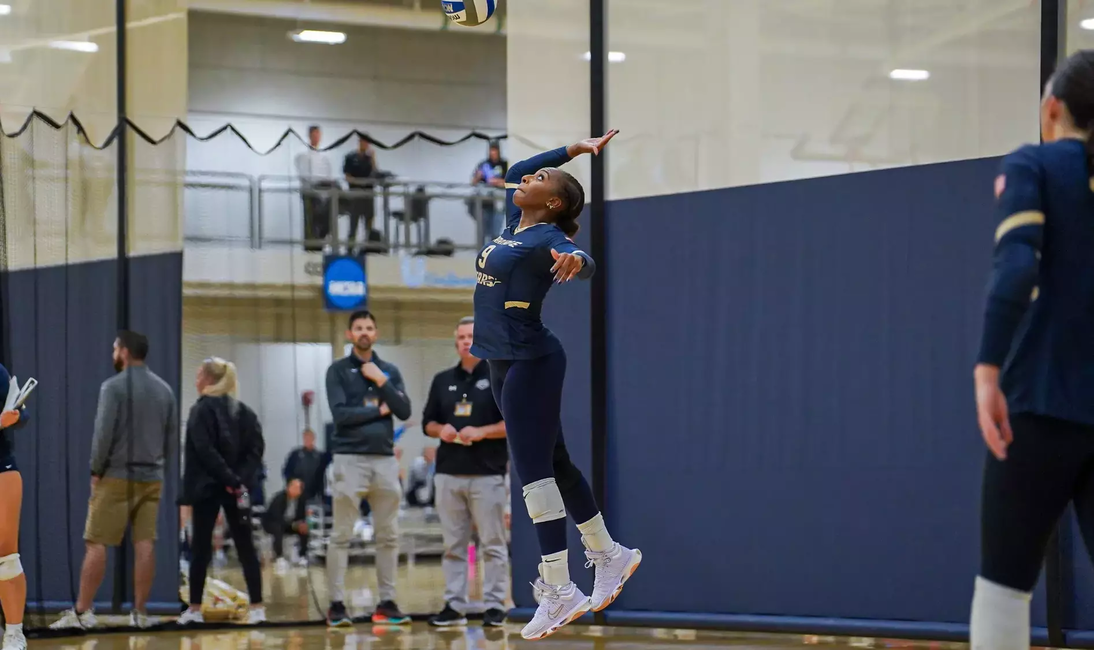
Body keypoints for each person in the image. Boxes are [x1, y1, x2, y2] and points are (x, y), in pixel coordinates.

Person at [471, 130, 641, 640]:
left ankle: (559, 586)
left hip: (533, 360)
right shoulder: (512, 221)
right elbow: (522, 163)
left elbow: (584, 262)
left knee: (534, 473)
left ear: (554, 202)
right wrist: (575, 150)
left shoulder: (549, 239)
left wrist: (579, 262)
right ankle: (610, 553)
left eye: (540, 180)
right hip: (500, 360)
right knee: (558, 465)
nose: (527, 177)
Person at [971, 50, 1094, 650]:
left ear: (1052, 109)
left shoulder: (1034, 165)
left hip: (1038, 404)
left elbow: (1017, 267)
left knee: (1004, 588)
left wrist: (986, 371)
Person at [52, 331, 177, 630]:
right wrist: (159, 468)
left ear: (124, 352)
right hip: (152, 478)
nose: (113, 354)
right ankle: (140, 614)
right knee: (145, 543)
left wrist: (96, 471)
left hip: (116, 476)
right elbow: (171, 441)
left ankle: (82, 614)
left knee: (96, 542)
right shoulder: (165, 391)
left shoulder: (113, 387)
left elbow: (103, 434)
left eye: (114, 349)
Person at [324, 310, 412, 626]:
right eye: (358, 327)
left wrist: (382, 382)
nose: (364, 332)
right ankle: (336, 604)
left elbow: (403, 409)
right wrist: (378, 410)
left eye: (369, 327)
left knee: (388, 535)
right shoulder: (337, 371)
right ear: (350, 334)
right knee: (341, 534)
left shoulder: (388, 371)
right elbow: (341, 415)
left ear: (375, 333)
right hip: (349, 459)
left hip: (385, 461)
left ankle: (387, 602)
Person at [423, 316, 509, 628]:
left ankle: (495, 605)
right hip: (448, 474)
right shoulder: (442, 379)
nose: (464, 341)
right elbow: (427, 423)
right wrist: (440, 429)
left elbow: (512, 424)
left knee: (492, 543)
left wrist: (483, 432)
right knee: (453, 546)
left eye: (470, 335)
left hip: (487, 475)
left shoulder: (500, 375)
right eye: (460, 336)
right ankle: (454, 605)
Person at [178, 357, 266, 625]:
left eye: (198, 376)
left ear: (208, 379)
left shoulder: (200, 410)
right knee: (245, 547)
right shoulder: (246, 412)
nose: (196, 381)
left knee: (201, 548)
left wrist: (229, 479)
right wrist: (238, 481)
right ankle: (258, 608)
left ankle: (194, 610)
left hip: (207, 488)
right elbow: (256, 452)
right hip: (234, 489)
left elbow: (204, 451)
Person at [0, 365, 30, 650]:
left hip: (2, 467)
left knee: (6, 556)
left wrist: (16, 414)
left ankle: (14, 633)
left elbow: (23, 414)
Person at [295, 125, 336, 251]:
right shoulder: (302, 156)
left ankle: (321, 244)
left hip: (323, 195)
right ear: (309, 136)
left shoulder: (324, 158)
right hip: (310, 194)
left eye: (318, 134)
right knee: (310, 223)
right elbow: (304, 176)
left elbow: (328, 176)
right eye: (314, 134)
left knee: (322, 222)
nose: (316, 137)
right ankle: (310, 248)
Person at [264, 478, 309, 572]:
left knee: (304, 528)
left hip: (291, 524)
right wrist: (293, 525)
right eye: (294, 487)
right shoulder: (279, 498)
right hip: (272, 523)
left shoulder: (301, 500)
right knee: (278, 528)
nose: (296, 490)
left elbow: (302, 516)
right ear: (288, 487)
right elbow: (276, 518)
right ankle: (279, 557)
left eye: (299, 488)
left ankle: (302, 556)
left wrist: (302, 524)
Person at [344, 136, 380, 250]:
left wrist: (373, 159)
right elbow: (347, 176)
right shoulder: (350, 157)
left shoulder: (370, 159)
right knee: (353, 225)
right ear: (359, 142)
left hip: (368, 195)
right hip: (355, 195)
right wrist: (358, 183)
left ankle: (368, 249)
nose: (365, 144)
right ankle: (349, 250)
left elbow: (375, 174)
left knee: (368, 226)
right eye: (363, 142)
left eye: (367, 142)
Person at [471, 142, 508, 244]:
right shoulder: (484, 164)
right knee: (482, 231)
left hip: (498, 202)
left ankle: (493, 253)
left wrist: (497, 182)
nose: (493, 153)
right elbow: (473, 182)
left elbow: (510, 183)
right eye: (491, 150)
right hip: (484, 203)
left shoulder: (504, 164)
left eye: (495, 150)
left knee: (495, 232)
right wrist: (478, 176)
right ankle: (481, 253)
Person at [283, 429, 325, 500]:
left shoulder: (319, 456)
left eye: (309, 438)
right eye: (306, 438)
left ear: (313, 439)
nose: (307, 440)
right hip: (297, 494)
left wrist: (321, 494)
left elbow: (322, 477)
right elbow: (286, 471)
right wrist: (292, 483)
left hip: (313, 494)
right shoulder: (295, 454)